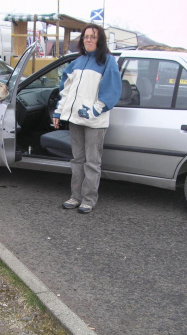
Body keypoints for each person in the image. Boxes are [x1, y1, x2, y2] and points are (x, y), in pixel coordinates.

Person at [52, 24, 122, 214]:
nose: (89, 39)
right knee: (77, 160)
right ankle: (75, 197)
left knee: (92, 162)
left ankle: (89, 199)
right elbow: (65, 91)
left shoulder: (108, 61)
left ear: (100, 40)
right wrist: (59, 112)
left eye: (93, 36)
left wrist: (94, 110)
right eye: (86, 36)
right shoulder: (77, 62)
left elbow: (112, 91)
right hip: (75, 120)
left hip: (95, 122)